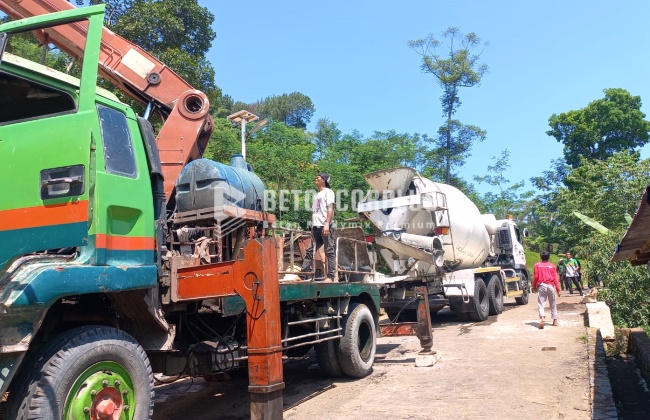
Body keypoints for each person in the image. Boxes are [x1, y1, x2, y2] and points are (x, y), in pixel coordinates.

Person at [301, 172, 337, 282]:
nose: (316, 178)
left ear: (324, 180)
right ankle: (302, 275)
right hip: (316, 228)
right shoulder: (317, 194)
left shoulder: (328, 192)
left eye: (318, 177)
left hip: (325, 227)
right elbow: (315, 212)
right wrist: (312, 227)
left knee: (329, 251)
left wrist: (327, 224)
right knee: (310, 251)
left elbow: (330, 209)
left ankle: (330, 276)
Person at [532, 251, 561, 329]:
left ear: (540, 257)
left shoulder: (537, 265)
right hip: (551, 285)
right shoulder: (552, 266)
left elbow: (535, 277)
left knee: (541, 303)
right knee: (553, 303)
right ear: (549, 257)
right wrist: (558, 289)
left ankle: (542, 318)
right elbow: (555, 278)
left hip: (541, 285)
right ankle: (555, 320)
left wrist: (533, 286)